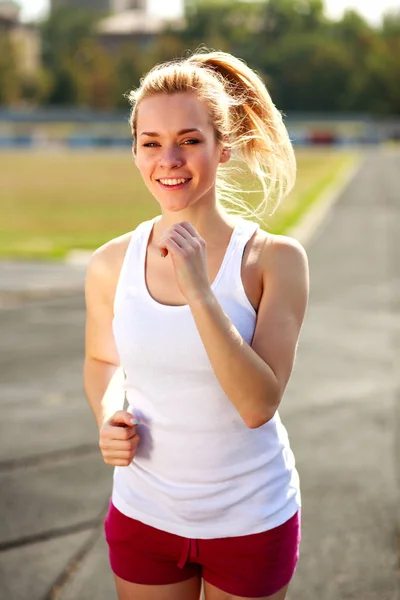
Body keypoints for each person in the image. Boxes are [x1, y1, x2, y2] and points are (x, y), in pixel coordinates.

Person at [83, 49, 309, 600]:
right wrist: (109, 411)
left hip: (250, 520)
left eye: (189, 140)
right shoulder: (111, 262)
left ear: (222, 147)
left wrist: (200, 292)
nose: (170, 159)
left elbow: (258, 405)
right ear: (135, 151)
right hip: (144, 515)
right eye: (152, 143)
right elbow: (103, 360)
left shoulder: (273, 261)